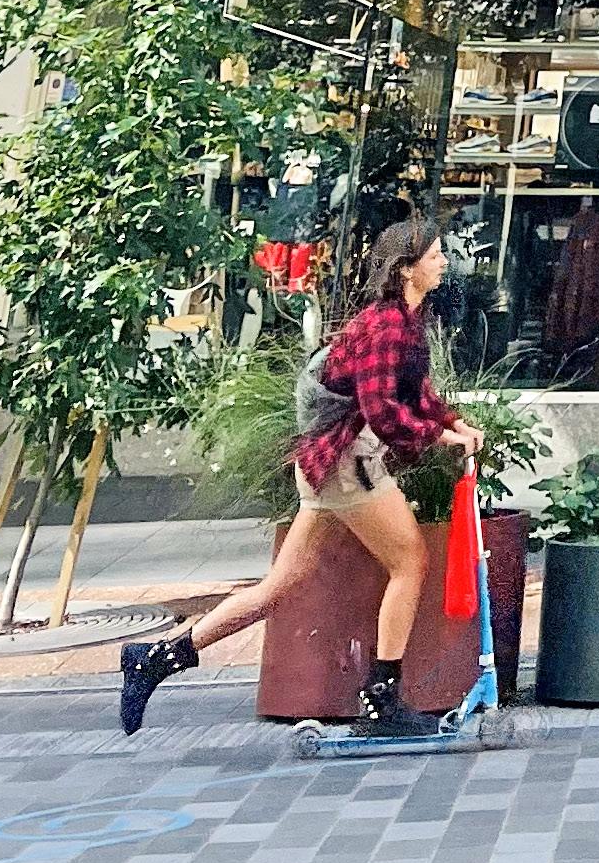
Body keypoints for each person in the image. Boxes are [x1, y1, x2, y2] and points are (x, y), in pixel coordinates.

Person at [118, 216, 480, 740]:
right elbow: (381, 411)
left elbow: (416, 391)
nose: (444, 261)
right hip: (346, 466)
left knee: (278, 589)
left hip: (328, 467)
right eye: (434, 254)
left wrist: (453, 421)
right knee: (410, 562)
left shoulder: (405, 319)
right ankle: (383, 700)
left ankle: (156, 657)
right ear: (406, 268)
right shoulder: (384, 326)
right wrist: (440, 436)